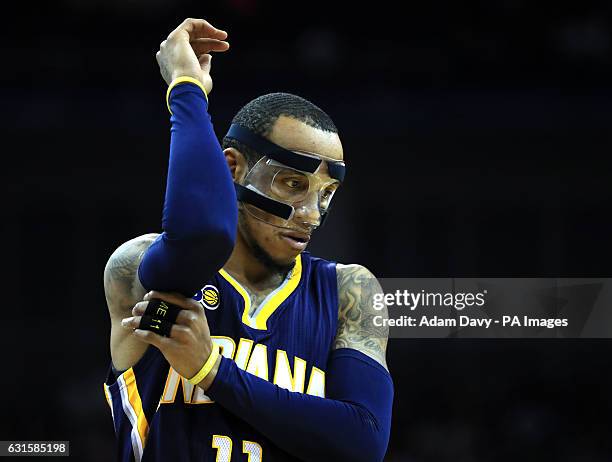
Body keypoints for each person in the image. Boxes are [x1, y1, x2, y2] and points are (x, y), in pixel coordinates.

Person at [103, 18, 393, 462]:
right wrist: (186, 88)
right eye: (292, 185)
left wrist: (212, 370)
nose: (312, 216)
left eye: (326, 195)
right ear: (233, 167)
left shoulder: (347, 292)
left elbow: (362, 443)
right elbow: (201, 233)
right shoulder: (146, 274)